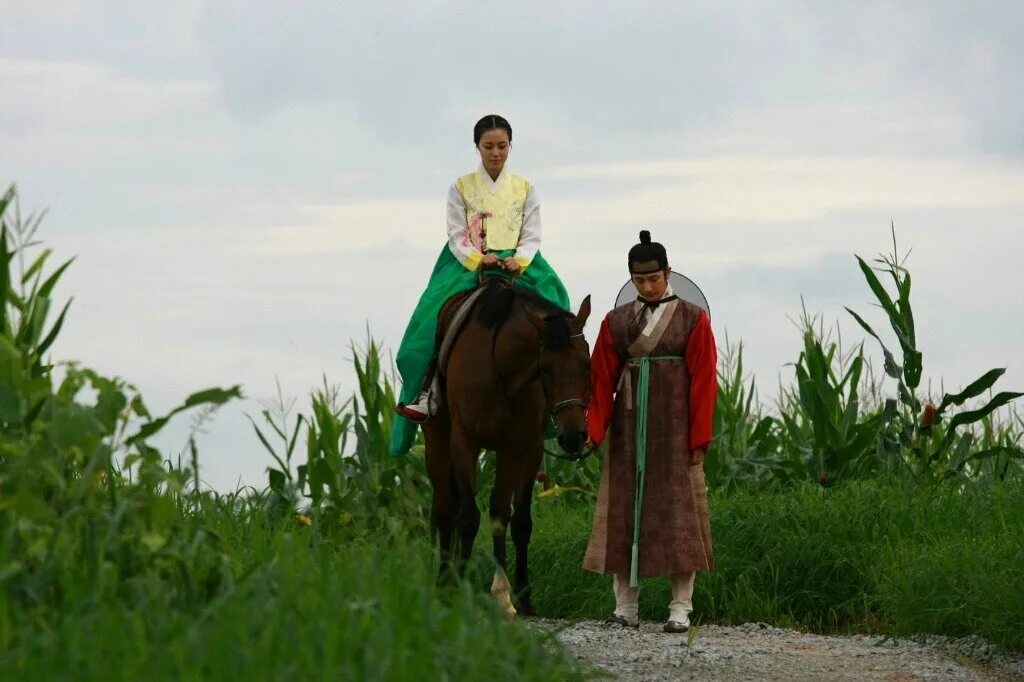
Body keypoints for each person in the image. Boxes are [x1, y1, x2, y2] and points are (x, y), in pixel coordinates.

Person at [390, 115, 571, 456]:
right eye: (488, 147)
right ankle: (426, 393)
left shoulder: (525, 188)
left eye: (502, 146)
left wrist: (520, 258)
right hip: (470, 264)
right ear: (477, 147)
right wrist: (478, 258)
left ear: (510, 146)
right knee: (427, 320)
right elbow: (456, 234)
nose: (496, 153)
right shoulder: (460, 187)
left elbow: (532, 232)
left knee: (559, 308)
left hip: (519, 265)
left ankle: (559, 398)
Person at [582, 230, 718, 632]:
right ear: (631, 280)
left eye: (654, 279)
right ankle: (625, 609)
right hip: (628, 426)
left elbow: (704, 381)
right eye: (640, 281)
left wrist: (698, 439)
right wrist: (595, 430)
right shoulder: (616, 321)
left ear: (668, 272)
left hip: (674, 429)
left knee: (680, 516)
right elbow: (601, 379)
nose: (648, 287)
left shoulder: (693, 318)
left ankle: (680, 608)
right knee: (623, 514)